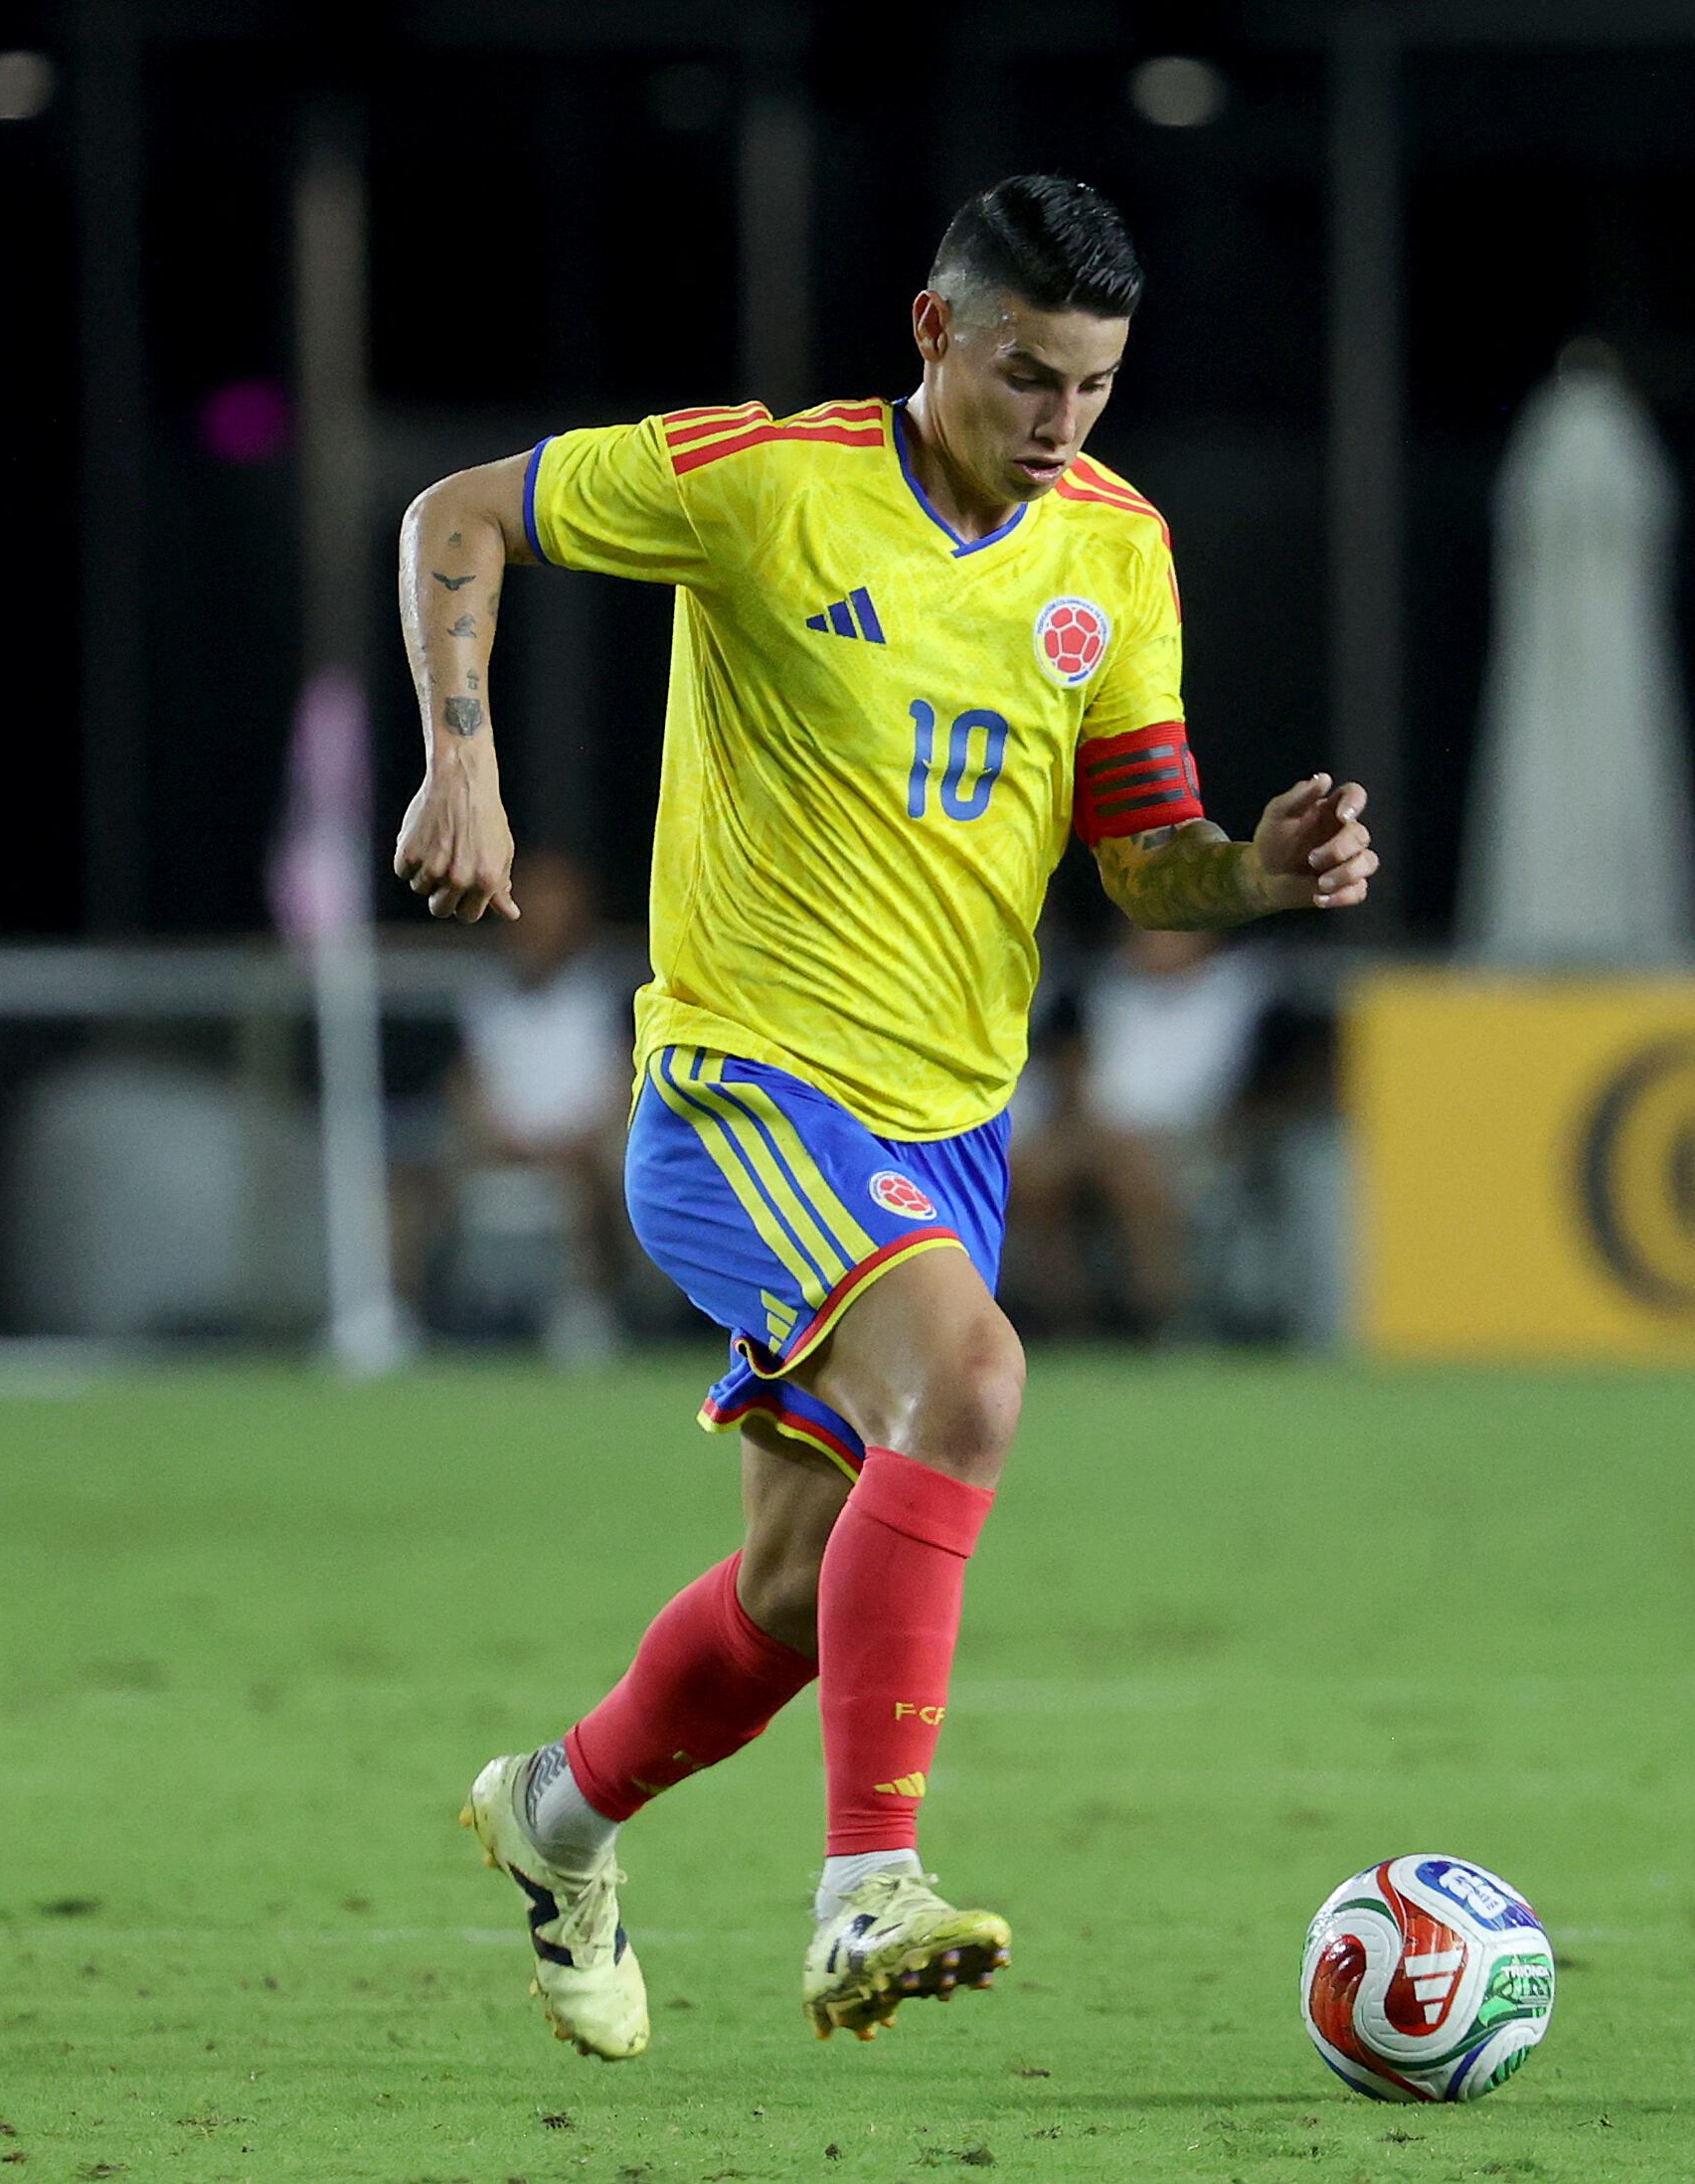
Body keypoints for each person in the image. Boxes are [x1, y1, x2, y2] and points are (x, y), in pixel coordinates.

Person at [389, 176, 1378, 2055]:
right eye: (1027, 376)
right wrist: (466, 765)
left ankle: (558, 1811)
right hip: (740, 1088)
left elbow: (1143, 862)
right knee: (980, 1384)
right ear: (936, 335)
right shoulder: (764, 480)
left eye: (1093, 385)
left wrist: (1250, 871)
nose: (1062, 420)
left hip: (951, 1138)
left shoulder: (1118, 553)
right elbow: (459, 516)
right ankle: (867, 1891)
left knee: (790, 1596)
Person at [1005, 927, 1270, 1336]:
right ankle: (1065, 1319)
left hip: (1187, 1139)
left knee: (1127, 1168)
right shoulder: (1113, 986)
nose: (1149, 939)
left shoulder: (1233, 988)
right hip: (1096, 1132)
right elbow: (1093, 1077)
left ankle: (1164, 1317)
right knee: (1033, 1172)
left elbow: (1217, 1091)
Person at [429, 847, 632, 1349]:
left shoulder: (605, 995)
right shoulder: (485, 995)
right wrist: (500, 1138)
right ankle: (410, 1321)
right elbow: (465, 1087)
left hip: (580, 1152)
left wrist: (573, 1145)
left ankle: (588, 1313)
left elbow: (622, 1080)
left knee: (604, 1176)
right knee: (407, 1187)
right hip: (500, 1148)